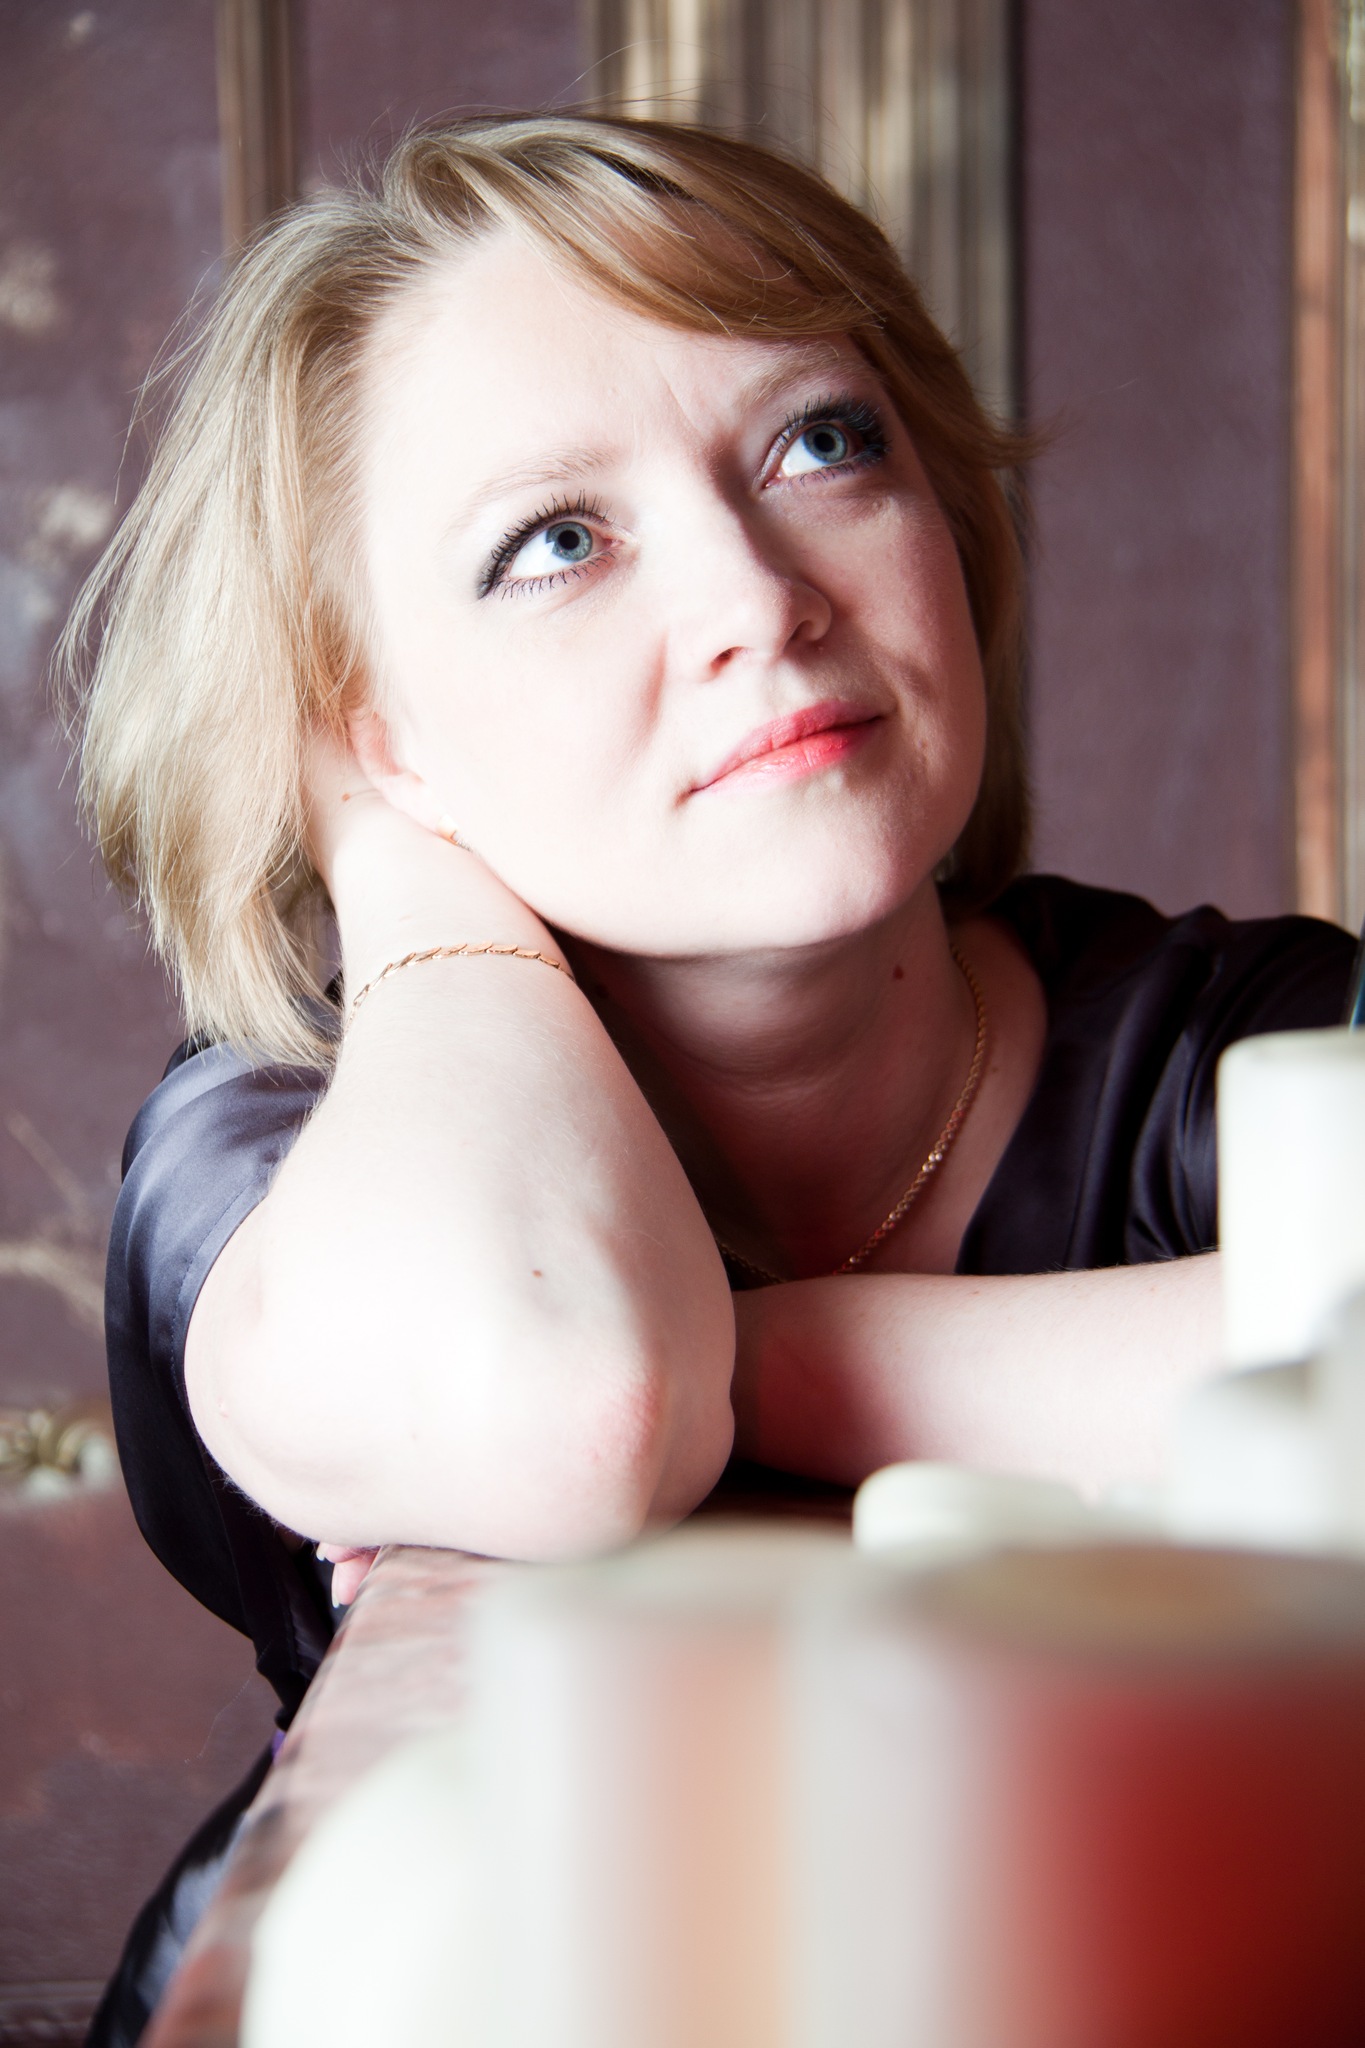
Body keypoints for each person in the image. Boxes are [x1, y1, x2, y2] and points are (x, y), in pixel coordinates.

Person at [64, 113, 1351, 2041]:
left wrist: (784, 1359)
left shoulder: (1227, 1037)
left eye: (819, 443)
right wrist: (389, 850)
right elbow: (574, 1406)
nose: (758, 596)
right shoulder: (281, 1149)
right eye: (555, 544)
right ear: (367, 727)